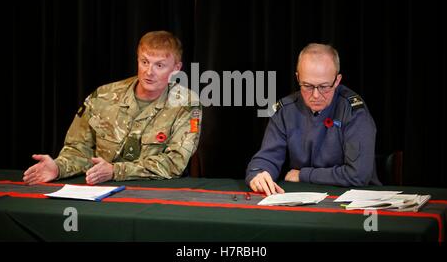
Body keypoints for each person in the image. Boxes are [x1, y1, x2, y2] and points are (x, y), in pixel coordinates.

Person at [23, 31, 202, 185]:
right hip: (100, 189)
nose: (149, 72)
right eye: (144, 62)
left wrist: (116, 171)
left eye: (159, 65)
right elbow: (79, 149)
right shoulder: (103, 96)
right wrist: (58, 167)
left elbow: (174, 162)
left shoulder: (187, 105)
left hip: (155, 193)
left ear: (176, 69)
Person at [246, 43, 381, 195]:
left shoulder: (354, 111)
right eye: (307, 86)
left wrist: (304, 175)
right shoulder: (285, 110)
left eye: (324, 86)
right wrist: (258, 174)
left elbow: (358, 175)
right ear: (298, 78)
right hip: (303, 198)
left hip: (356, 199)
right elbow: (266, 158)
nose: (316, 95)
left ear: (337, 80)